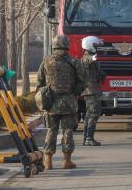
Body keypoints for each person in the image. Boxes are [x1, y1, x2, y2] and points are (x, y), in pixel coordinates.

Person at [38, 34, 86, 170]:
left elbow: (40, 82)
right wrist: (74, 93)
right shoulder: (74, 61)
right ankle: (67, 161)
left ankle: (47, 161)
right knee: (68, 130)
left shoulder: (46, 61)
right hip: (69, 102)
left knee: (51, 130)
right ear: (67, 45)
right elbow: (82, 82)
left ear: (53, 45)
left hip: (51, 103)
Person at [81, 36, 106, 146]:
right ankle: (89, 138)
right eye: (95, 45)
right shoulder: (87, 57)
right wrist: (93, 59)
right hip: (91, 90)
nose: (97, 48)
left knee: (89, 114)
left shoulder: (90, 57)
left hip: (90, 90)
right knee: (94, 114)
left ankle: (86, 137)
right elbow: (88, 61)